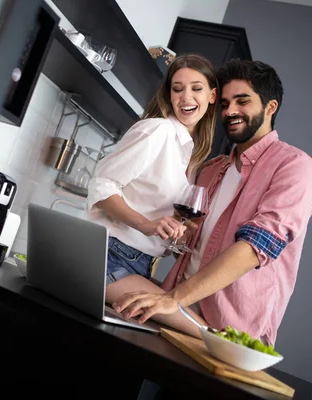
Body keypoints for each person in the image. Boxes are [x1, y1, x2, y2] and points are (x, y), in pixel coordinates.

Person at [113, 59, 312, 345]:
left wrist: (173, 298)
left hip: (229, 335)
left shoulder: (294, 166)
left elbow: (253, 250)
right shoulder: (211, 169)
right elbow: (190, 248)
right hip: (176, 315)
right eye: (224, 104)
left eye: (242, 101)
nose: (231, 111)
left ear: (270, 107)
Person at [85, 54, 218, 337]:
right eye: (177, 88)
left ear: (212, 95)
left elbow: (155, 207)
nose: (186, 97)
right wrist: (146, 225)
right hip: (109, 255)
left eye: (196, 88)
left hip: (138, 262)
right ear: (169, 95)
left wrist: (175, 230)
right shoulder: (157, 131)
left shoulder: (191, 155)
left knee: (199, 328)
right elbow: (103, 185)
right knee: (202, 333)